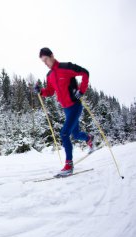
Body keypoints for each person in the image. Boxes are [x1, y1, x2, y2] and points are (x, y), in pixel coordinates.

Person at [34, 47, 94, 177]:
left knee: (64, 133)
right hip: (66, 109)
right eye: (42, 61)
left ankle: (69, 165)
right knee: (76, 134)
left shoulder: (66, 67)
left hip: (75, 106)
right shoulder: (49, 76)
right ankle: (89, 138)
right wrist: (41, 91)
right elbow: (50, 91)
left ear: (52, 56)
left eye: (46, 60)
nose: (45, 63)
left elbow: (85, 73)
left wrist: (81, 91)